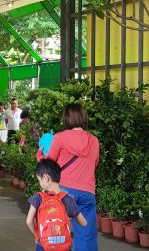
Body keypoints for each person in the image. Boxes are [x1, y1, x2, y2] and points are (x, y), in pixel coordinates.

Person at [36, 103, 100, 251]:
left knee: (54, 230)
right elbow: (94, 163)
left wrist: (39, 155)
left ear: (66, 119)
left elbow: (49, 167)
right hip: (87, 192)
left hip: (63, 192)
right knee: (87, 234)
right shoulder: (94, 140)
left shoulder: (59, 138)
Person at [26, 159, 88, 251]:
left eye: (39, 180)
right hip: (64, 245)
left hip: (43, 244)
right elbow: (84, 223)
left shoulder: (38, 198)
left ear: (45, 178)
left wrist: (37, 236)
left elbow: (29, 221)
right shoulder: (67, 199)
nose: (40, 183)